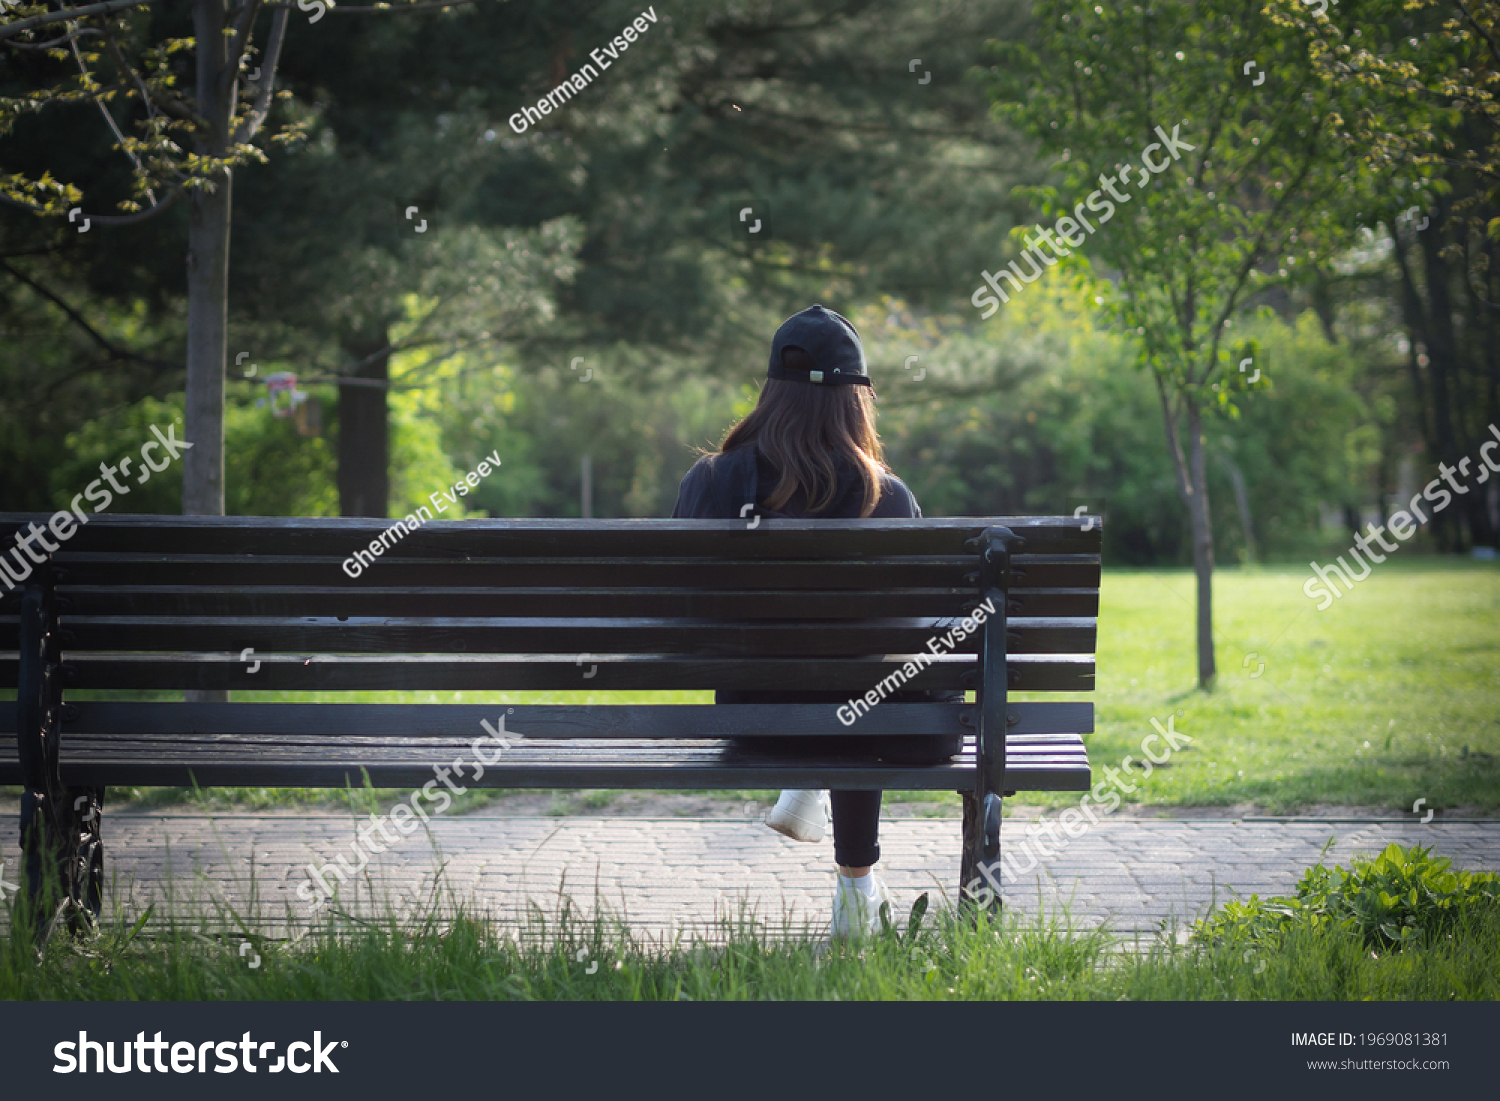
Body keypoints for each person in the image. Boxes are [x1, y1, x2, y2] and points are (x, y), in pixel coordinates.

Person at [671, 304, 960, 939]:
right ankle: (855, 891)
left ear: (771, 390)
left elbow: (681, 609)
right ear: (855, 403)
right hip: (875, 722)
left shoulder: (710, 482)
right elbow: (914, 637)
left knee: (848, 674)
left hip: (753, 718)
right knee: (883, 679)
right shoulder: (887, 497)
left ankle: (806, 772)